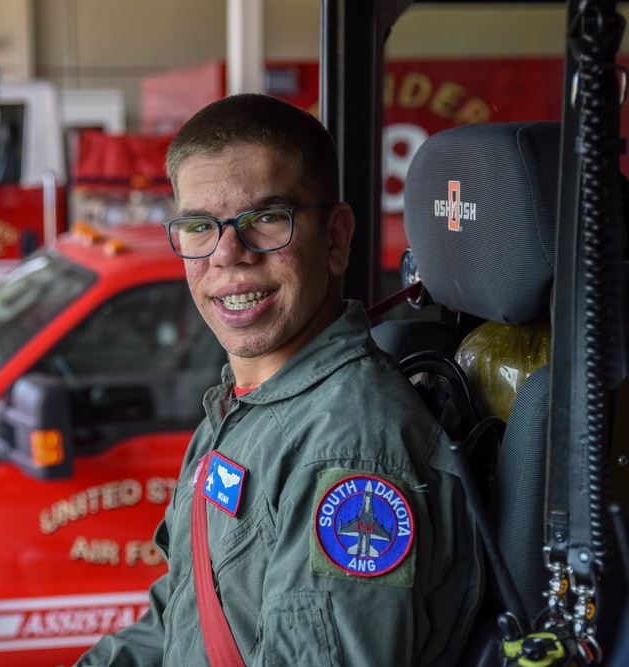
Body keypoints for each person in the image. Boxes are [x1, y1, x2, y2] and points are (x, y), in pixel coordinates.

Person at [74, 94, 484, 666]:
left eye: (267, 219)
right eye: (198, 226)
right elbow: (178, 621)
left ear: (336, 238)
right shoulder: (243, 406)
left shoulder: (348, 449)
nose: (228, 255)